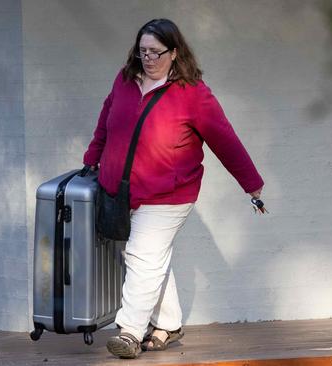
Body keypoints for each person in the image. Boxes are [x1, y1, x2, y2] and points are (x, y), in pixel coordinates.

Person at [83, 18, 265, 359]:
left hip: (169, 194)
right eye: (143, 52)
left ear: (174, 52)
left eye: (155, 52)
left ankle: (130, 332)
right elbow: (106, 121)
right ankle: (168, 323)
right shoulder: (124, 80)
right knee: (149, 258)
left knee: (142, 255)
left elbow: (226, 140)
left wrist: (251, 185)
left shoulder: (192, 94)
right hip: (122, 191)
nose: (148, 59)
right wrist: (92, 158)